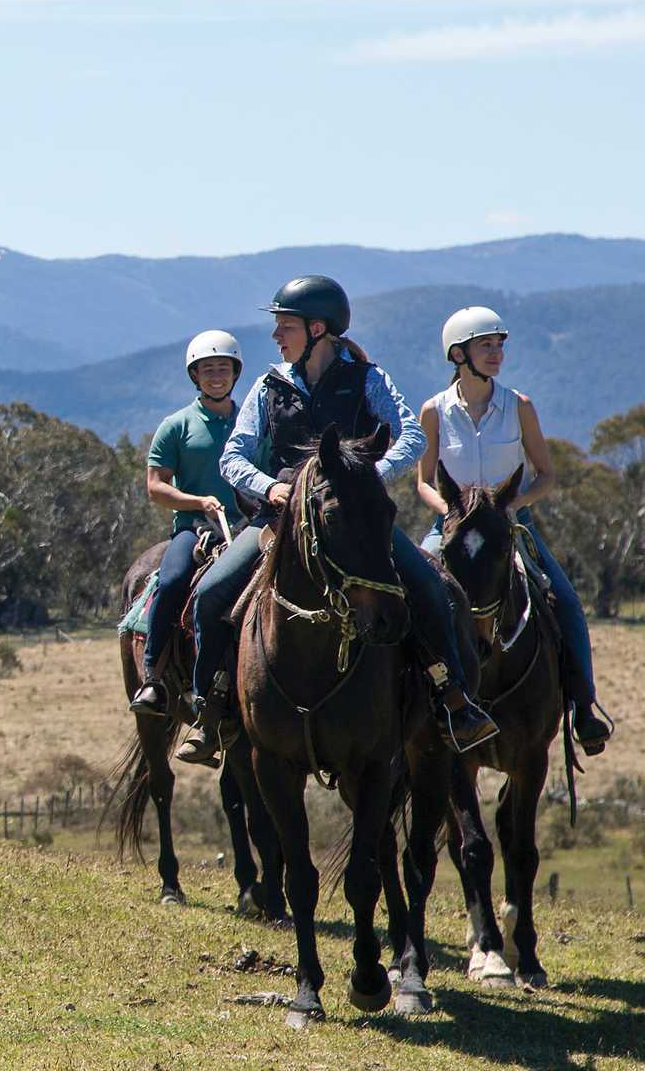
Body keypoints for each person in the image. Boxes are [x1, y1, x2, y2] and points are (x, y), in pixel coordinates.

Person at [175, 275, 498, 766]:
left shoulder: (368, 379)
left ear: (317, 329)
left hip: (357, 521)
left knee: (435, 590)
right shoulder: (268, 387)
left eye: (285, 326)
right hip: (280, 518)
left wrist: (367, 479)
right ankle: (210, 709)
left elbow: (410, 435)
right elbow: (233, 457)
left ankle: (454, 698)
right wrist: (271, 488)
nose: (277, 336)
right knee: (211, 591)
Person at [416, 306, 613, 755]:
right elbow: (423, 480)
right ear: (458, 354)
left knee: (565, 600)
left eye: (499, 345)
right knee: (411, 597)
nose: (496, 353)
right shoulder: (435, 411)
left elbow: (546, 474)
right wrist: (449, 511)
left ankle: (584, 708)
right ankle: (403, 710)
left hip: (510, 526)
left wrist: (515, 505)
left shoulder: (519, 406)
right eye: (485, 345)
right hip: (451, 526)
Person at [128, 330, 246, 717]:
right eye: (207, 369)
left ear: (235, 373)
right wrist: (198, 502)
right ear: (195, 376)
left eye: (223, 368)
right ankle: (153, 678)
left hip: (249, 527)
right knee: (175, 578)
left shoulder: (250, 422)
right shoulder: (176, 426)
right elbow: (156, 488)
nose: (216, 376)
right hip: (193, 528)